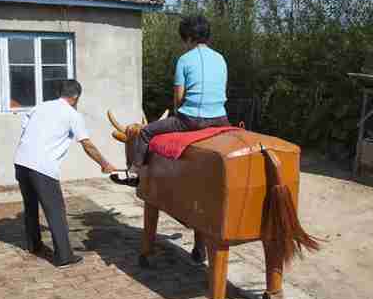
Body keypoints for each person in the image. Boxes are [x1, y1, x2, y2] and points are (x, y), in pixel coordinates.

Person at [112, 15, 229, 187]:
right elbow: (223, 91)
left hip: (191, 120)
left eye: (185, 40)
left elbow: (179, 97)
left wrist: (177, 113)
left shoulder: (184, 60)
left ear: (189, 38)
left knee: (145, 133)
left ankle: (134, 173)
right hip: (221, 118)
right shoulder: (221, 58)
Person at [14, 80, 117, 268]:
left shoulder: (40, 107)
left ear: (59, 93)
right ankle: (64, 257)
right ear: (76, 96)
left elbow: (25, 130)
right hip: (42, 167)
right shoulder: (72, 115)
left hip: (21, 161)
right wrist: (105, 164)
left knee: (30, 206)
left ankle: (33, 245)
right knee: (56, 212)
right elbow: (87, 144)